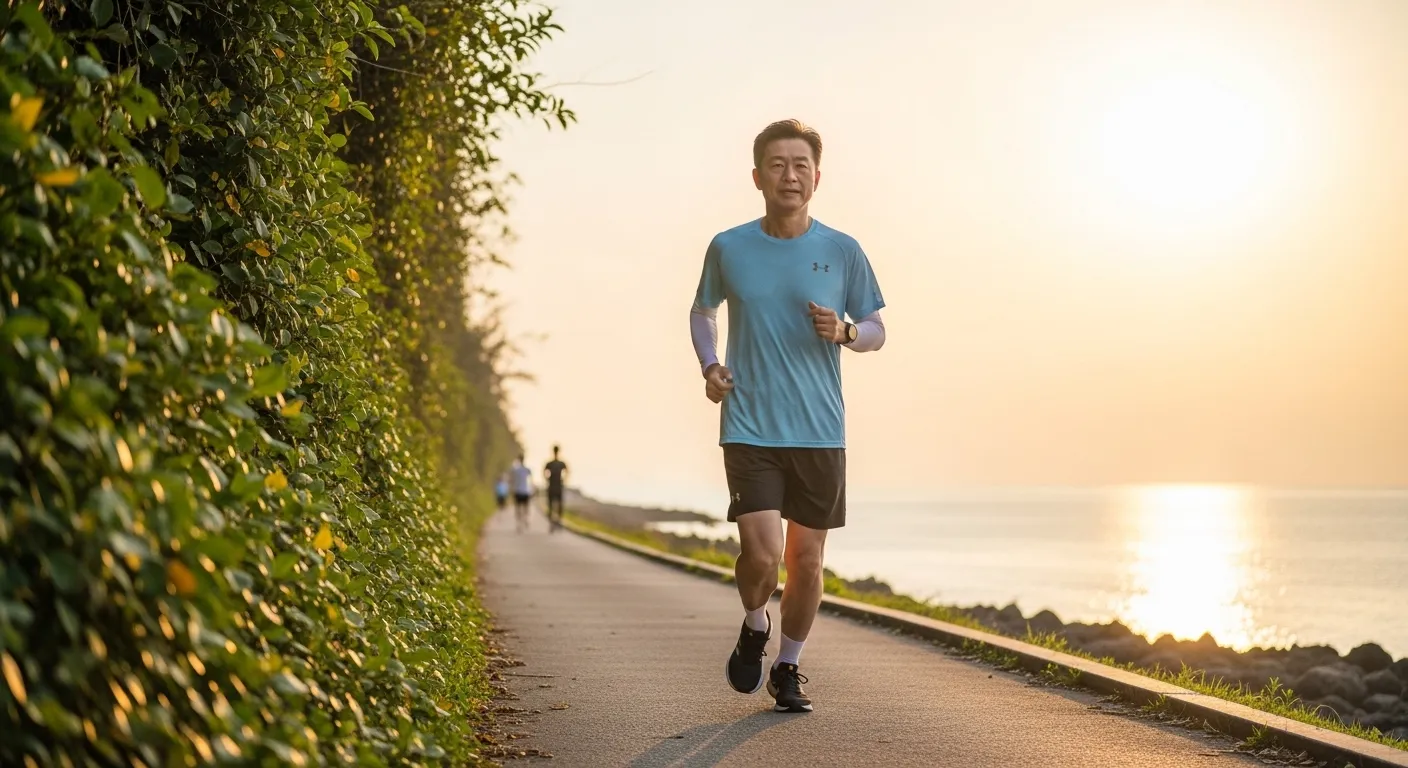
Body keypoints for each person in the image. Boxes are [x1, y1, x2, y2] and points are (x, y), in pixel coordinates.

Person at [688, 119, 887, 713]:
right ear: (757, 176)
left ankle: (789, 666)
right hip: (749, 423)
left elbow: (877, 330)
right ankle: (755, 622)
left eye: (801, 165)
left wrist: (847, 331)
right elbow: (702, 312)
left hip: (820, 430)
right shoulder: (728, 246)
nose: (790, 175)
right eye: (777, 165)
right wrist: (710, 365)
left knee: (807, 559)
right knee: (762, 553)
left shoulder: (842, 250)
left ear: (817, 177)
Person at [543, 445, 569, 532]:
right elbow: (567, 471)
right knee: (556, 506)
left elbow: (544, 472)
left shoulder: (555, 463)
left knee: (555, 506)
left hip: (555, 486)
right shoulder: (554, 463)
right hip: (555, 486)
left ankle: (555, 523)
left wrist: (547, 478)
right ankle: (555, 523)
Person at [509, 455, 534, 533]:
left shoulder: (515, 470)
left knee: (518, 508)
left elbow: (512, 480)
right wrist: (532, 489)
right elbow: (531, 480)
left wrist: (512, 488)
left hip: (518, 491)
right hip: (525, 491)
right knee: (525, 508)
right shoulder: (527, 469)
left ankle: (519, 524)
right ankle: (525, 520)